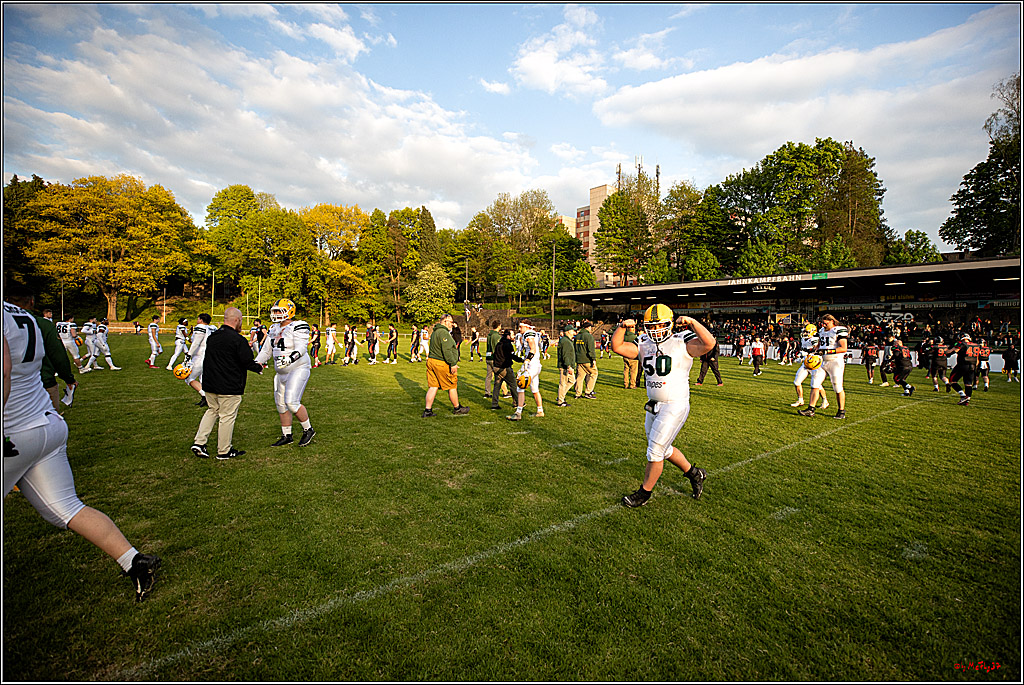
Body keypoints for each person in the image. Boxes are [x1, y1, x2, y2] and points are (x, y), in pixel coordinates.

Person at [4, 299, 160, 601]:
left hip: (13, 432)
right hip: (46, 422)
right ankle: (134, 561)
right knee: (68, 508)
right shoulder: (23, 314)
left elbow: (4, 372)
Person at [610, 306, 714, 508]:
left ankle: (644, 493)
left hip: (674, 404)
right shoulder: (643, 343)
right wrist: (622, 327)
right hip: (654, 405)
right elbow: (618, 347)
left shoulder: (681, 341)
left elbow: (709, 343)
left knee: (655, 451)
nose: (656, 329)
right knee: (662, 449)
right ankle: (695, 473)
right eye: (652, 325)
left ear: (670, 323)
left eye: (660, 324)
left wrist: (693, 322)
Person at [190, 307, 264, 460]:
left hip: (210, 383)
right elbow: (247, 361)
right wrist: (259, 367)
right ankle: (224, 450)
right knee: (227, 416)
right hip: (229, 385)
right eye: (241, 321)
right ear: (236, 320)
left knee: (212, 410)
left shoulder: (213, 337)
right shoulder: (238, 340)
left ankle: (199, 442)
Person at [254, 299, 317, 447]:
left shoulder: (298, 326)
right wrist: (256, 363)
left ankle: (308, 430)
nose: (275, 314)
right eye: (274, 311)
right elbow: (266, 351)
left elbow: (302, 348)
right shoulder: (274, 328)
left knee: (292, 402)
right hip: (280, 371)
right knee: (281, 405)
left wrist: (289, 359)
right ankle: (287, 435)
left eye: (278, 311)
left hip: (297, 368)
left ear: (289, 311)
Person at [5, 285, 78, 411]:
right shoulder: (43, 323)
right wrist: (68, 378)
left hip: (10, 386)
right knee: (50, 421)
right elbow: (58, 356)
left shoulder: (5, 321)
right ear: (32, 301)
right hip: (42, 382)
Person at [799, 314, 848, 419]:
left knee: (837, 387)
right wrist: (813, 351)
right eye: (822, 322)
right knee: (814, 384)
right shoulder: (821, 331)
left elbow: (843, 348)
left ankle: (841, 411)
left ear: (832, 321)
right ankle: (810, 409)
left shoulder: (838, 330)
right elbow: (819, 345)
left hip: (835, 361)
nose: (823, 324)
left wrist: (826, 351)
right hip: (822, 361)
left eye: (825, 322)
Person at [423, 313, 468, 417]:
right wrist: (453, 364)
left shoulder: (435, 332)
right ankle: (457, 408)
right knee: (452, 385)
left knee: (433, 386)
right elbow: (447, 350)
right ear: (445, 321)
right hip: (440, 362)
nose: (452, 324)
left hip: (431, 361)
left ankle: (427, 410)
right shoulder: (443, 333)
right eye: (451, 322)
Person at [508, 319, 544, 421]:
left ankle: (518, 413)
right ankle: (540, 410)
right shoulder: (531, 333)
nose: (519, 329)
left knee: (520, 386)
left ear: (527, 327)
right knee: (535, 389)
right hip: (536, 365)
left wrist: (527, 360)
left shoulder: (528, 333)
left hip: (531, 365)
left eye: (521, 327)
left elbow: (533, 348)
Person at [790, 323, 830, 411]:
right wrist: (800, 356)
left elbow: (817, 350)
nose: (805, 333)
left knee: (817, 385)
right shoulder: (804, 339)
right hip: (806, 363)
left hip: (815, 364)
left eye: (807, 331)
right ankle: (800, 400)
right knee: (797, 382)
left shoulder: (815, 339)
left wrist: (807, 352)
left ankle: (825, 400)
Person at [181, 313, 216, 407]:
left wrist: (188, 355)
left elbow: (196, 343)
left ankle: (206, 397)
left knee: (188, 378)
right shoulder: (212, 328)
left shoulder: (200, 327)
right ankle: (206, 399)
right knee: (202, 379)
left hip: (200, 356)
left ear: (200, 320)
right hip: (209, 356)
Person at [490, 328, 522, 411]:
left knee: (497, 386)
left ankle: (494, 404)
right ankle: (517, 403)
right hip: (504, 368)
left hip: (496, 367)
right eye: (512, 335)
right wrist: (521, 360)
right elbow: (511, 356)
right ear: (508, 336)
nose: (514, 336)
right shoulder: (507, 344)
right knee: (513, 385)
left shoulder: (499, 343)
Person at [947, 333, 981, 406]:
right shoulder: (976, 345)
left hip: (963, 364)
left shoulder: (961, 343)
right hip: (973, 366)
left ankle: (963, 396)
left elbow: (954, 350)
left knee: (952, 381)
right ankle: (967, 400)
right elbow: (977, 359)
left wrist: (947, 352)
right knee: (968, 384)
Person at [573, 320, 598, 399]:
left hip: (579, 359)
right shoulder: (588, 336)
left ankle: (578, 393)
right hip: (587, 359)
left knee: (580, 377)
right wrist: (593, 359)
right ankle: (588, 392)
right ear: (588, 327)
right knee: (594, 374)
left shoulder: (577, 336)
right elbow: (591, 349)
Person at [555, 324, 577, 407]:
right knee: (563, 383)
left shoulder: (567, 340)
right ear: (568, 332)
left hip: (567, 365)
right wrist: (569, 366)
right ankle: (560, 401)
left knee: (572, 381)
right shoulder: (566, 341)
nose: (574, 332)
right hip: (565, 366)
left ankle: (561, 396)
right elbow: (565, 355)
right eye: (572, 330)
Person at [483, 319, 501, 399]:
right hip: (494, 358)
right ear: (499, 326)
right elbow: (496, 348)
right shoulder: (496, 335)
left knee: (489, 376)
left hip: (488, 357)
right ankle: (505, 392)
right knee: (500, 375)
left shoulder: (489, 334)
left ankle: (487, 392)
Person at [621, 321, 639, 389]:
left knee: (626, 370)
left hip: (625, 354)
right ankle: (632, 384)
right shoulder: (635, 337)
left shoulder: (623, 337)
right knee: (633, 371)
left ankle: (626, 384)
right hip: (633, 356)